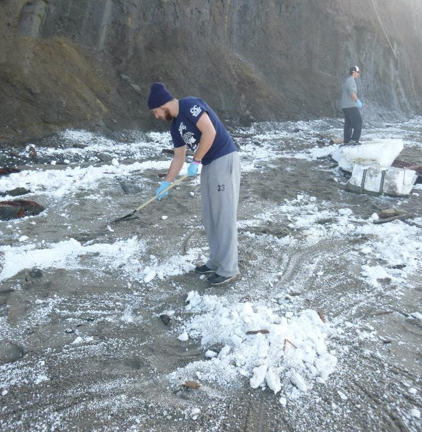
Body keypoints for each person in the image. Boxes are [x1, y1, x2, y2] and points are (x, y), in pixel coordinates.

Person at [147, 82, 241, 286]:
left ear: (163, 104)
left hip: (224, 159)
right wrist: (166, 183)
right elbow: (178, 158)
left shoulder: (190, 105)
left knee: (223, 215)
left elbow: (210, 132)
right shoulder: (175, 127)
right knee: (210, 216)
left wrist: (196, 160)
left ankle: (229, 268)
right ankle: (216, 261)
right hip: (208, 164)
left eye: (156, 112)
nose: (157, 116)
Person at [341, 66, 363, 145]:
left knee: (349, 124)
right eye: (357, 72)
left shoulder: (348, 80)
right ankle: (354, 141)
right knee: (358, 122)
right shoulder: (350, 80)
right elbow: (351, 92)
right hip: (350, 105)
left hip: (345, 106)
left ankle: (346, 141)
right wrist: (357, 101)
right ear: (353, 72)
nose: (358, 74)